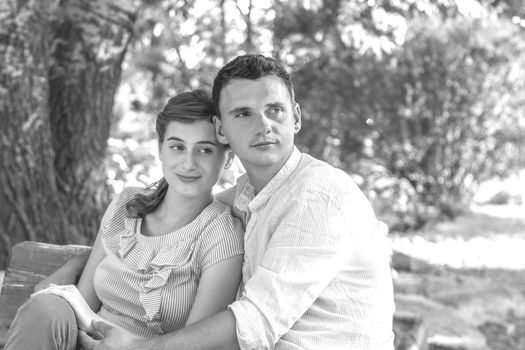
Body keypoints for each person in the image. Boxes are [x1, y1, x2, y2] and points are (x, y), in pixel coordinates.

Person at [43, 54, 396, 350]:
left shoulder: (318, 195)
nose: (264, 126)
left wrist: (139, 347)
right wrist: (74, 274)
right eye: (243, 113)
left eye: (275, 110)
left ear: (296, 117)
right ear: (222, 129)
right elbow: (165, 217)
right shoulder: (249, 194)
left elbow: (257, 320)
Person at [3, 89, 244, 349]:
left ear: (228, 157)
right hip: (84, 341)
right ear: (160, 149)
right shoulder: (128, 204)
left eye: (205, 150)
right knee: (46, 308)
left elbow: (196, 344)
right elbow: (82, 305)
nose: (188, 163)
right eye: (177, 147)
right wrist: (62, 281)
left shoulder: (222, 234)